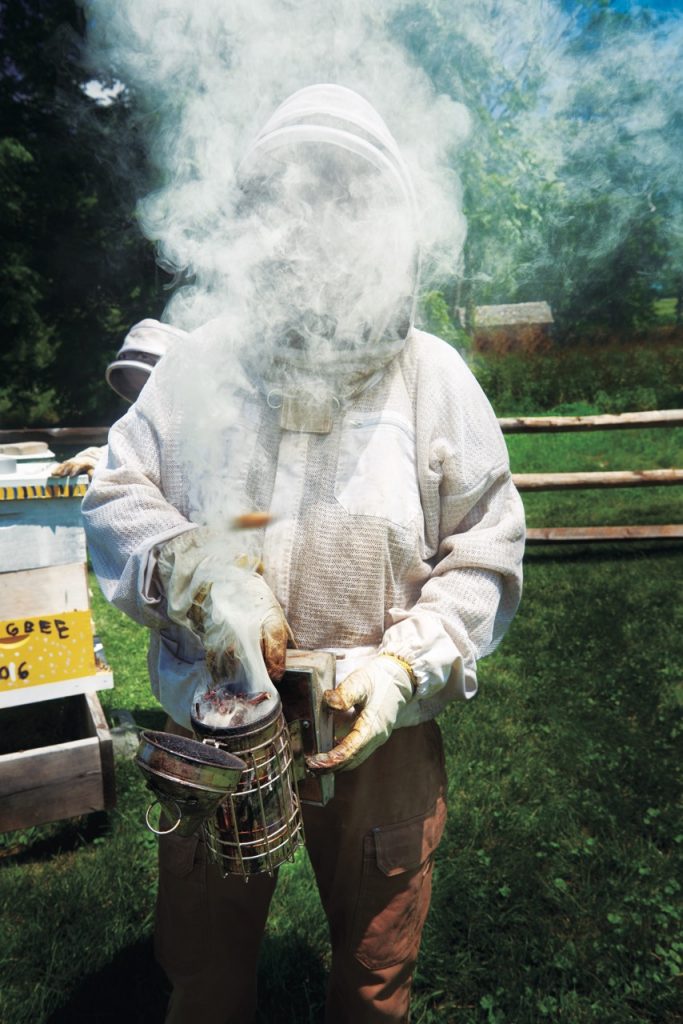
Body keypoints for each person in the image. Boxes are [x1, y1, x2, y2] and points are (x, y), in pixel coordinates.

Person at [82, 84, 525, 1024]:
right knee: (202, 969)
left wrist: (406, 665)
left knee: (374, 972)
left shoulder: (432, 378)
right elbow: (118, 491)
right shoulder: (201, 364)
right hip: (221, 723)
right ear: (253, 217)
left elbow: (484, 549)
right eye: (289, 192)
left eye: (344, 194)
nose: (315, 222)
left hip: (378, 737)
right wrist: (188, 570)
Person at [52, 319, 186, 478]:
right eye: (139, 383)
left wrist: (103, 462)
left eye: (149, 384)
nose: (147, 394)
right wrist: (93, 457)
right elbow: (130, 448)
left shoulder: (201, 425)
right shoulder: (145, 425)